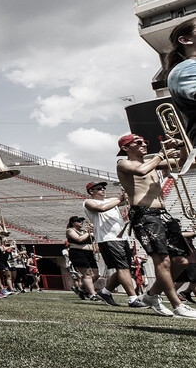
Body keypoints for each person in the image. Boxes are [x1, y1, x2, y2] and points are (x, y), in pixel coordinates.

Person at [116, 133, 196, 318]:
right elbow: (142, 171)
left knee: (182, 260)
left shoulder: (152, 161)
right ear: (126, 148)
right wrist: (162, 153)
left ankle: (151, 295)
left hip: (162, 213)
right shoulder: (124, 163)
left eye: (145, 141)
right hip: (143, 214)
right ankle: (177, 305)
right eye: (138, 142)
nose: (144, 144)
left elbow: (184, 160)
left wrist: (181, 143)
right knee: (162, 260)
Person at [83, 181, 145, 308]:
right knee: (123, 268)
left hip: (122, 238)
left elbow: (127, 199)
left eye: (104, 188)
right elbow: (101, 208)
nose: (103, 190)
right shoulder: (88, 202)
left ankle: (105, 292)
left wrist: (127, 188)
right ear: (91, 192)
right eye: (99, 188)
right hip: (108, 238)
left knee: (124, 268)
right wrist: (120, 198)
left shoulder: (112, 200)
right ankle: (133, 298)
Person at [65, 216, 101, 301]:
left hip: (89, 253)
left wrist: (93, 230)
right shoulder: (70, 230)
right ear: (73, 223)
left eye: (82, 221)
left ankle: (80, 289)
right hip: (78, 253)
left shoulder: (84, 231)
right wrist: (89, 232)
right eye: (78, 221)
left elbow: (94, 239)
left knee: (95, 275)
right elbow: (79, 239)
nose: (81, 222)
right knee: (87, 274)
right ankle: (93, 294)